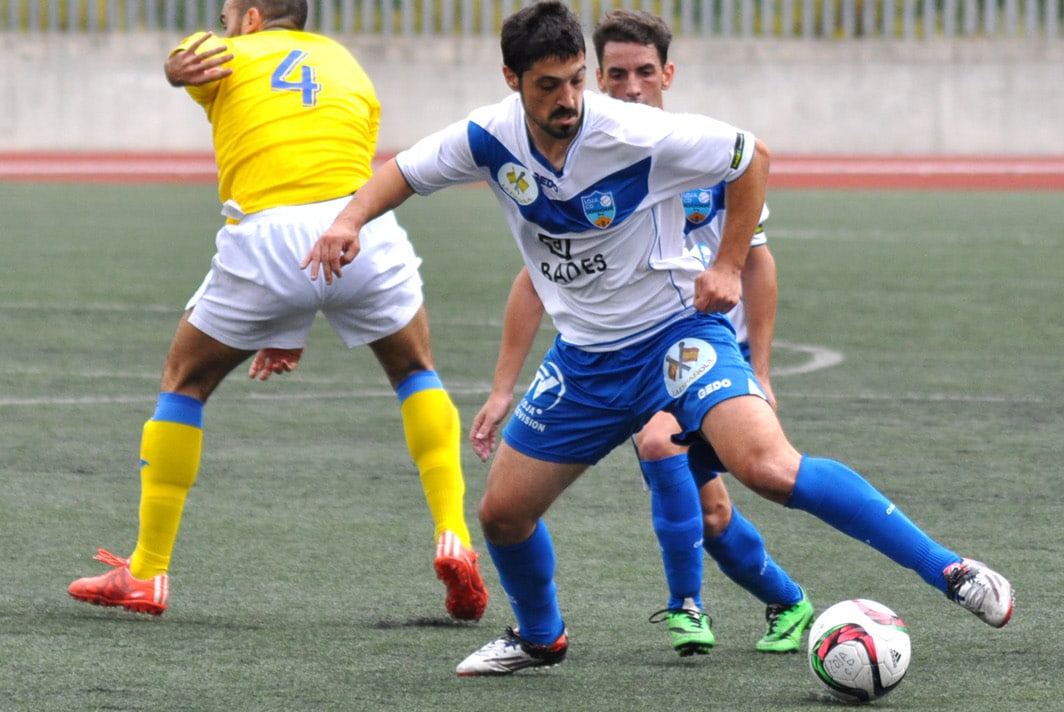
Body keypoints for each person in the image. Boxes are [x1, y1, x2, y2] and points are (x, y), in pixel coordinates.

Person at [302, 0, 1014, 677]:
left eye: (576, 80)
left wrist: (729, 263)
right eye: (549, 86)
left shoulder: (631, 133)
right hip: (583, 360)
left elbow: (752, 156)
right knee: (502, 514)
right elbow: (399, 173)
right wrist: (347, 221)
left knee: (768, 468)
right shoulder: (487, 138)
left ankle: (949, 570)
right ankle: (540, 637)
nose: (569, 100)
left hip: (676, 340)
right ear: (512, 81)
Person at [65, 0, 488, 623]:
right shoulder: (348, 66)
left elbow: (186, 63)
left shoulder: (227, 51)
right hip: (362, 228)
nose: (226, 23)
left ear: (254, 17)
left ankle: (148, 572)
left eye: (230, 14)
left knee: (185, 382)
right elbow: (320, 178)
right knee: (415, 372)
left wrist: (174, 67)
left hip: (265, 240)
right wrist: (295, 318)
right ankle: (454, 533)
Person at [465, 8, 811, 657]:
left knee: (663, 446)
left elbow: (758, 263)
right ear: (596, 77)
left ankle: (687, 606)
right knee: (709, 515)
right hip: (627, 349)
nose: (629, 86)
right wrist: (500, 387)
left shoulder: (704, 151)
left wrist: (759, 369)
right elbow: (532, 281)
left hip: (700, 349)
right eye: (616, 74)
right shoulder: (599, 152)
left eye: (643, 72)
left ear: (668, 74)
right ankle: (787, 600)